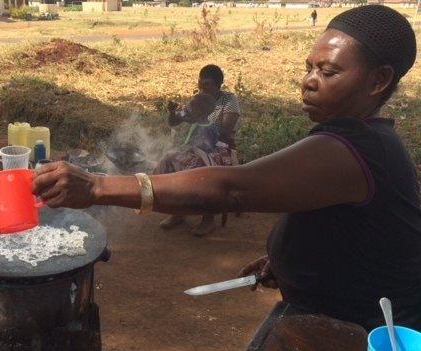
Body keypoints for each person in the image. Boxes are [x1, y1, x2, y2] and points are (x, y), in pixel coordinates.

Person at [32, 5, 420, 331]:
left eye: (329, 72)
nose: (309, 82)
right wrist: (288, 260)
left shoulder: (354, 151)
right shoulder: (360, 140)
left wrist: (98, 186)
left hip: (365, 332)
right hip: (328, 313)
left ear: (378, 80)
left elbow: (232, 188)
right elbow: (342, 228)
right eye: (309, 68)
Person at [155, 64, 241, 236]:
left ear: (218, 85)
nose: (203, 88)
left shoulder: (229, 101)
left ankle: (208, 219)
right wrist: (173, 113)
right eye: (201, 84)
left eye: (207, 84)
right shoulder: (199, 100)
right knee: (169, 160)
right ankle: (178, 212)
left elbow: (225, 132)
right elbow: (175, 121)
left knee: (202, 171)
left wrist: (202, 119)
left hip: (220, 149)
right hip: (198, 147)